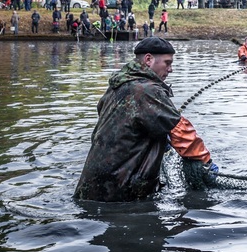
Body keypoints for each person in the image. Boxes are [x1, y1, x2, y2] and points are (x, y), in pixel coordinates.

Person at [74, 37, 218, 201]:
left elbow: (109, 115)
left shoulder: (118, 84)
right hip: (121, 192)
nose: (170, 69)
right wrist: (205, 161)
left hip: (89, 187)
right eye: (167, 63)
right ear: (148, 59)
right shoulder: (148, 90)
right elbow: (179, 129)